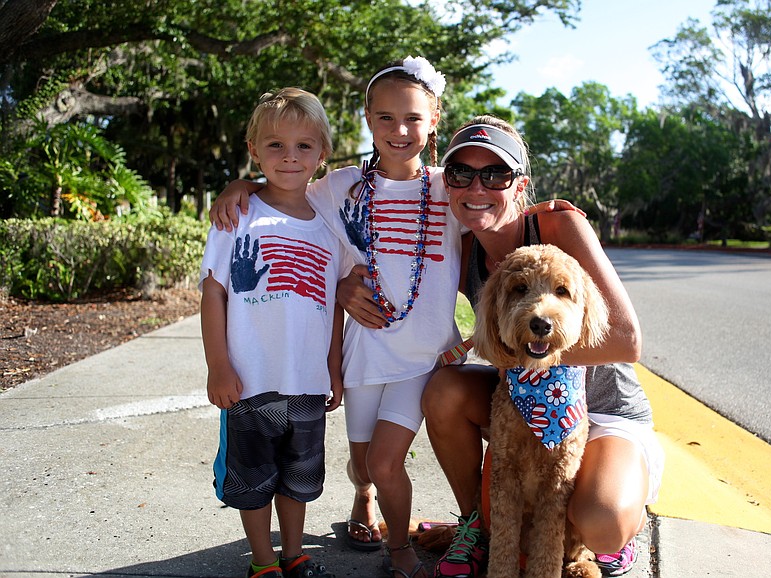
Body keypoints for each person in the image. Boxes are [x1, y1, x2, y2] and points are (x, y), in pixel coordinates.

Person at [210, 57, 461, 578]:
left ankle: (399, 550)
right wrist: (241, 186)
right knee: (366, 464)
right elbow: (284, 190)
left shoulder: (450, 190)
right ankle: (361, 497)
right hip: (364, 350)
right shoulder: (341, 187)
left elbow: (496, 227)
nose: (399, 130)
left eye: (413, 118)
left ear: (433, 120)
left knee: (389, 463)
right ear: (367, 118)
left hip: (423, 357)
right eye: (385, 117)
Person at [423, 116, 664, 578]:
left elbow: (627, 340)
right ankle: (477, 523)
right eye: (462, 174)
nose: (478, 186)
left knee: (602, 521)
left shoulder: (557, 224)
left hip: (605, 410)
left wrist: (531, 347)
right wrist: (251, 190)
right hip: (520, 402)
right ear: (447, 184)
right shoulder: (459, 250)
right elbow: (382, 255)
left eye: (495, 174)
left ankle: (611, 536)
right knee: (444, 391)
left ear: (520, 185)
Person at [200, 87, 344, 578]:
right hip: (249, 380)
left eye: (304, 146)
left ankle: (294, 553)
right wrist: (219, 365)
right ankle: (262, 563)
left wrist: (333, 369)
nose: (290, 156)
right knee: (253, 479)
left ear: (322, 155)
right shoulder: (236, 216)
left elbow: (332, 305)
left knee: (298, 478)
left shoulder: (328, 226)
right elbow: (213, 293)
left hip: (306, 382)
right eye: (276, 145)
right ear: (253, 150)